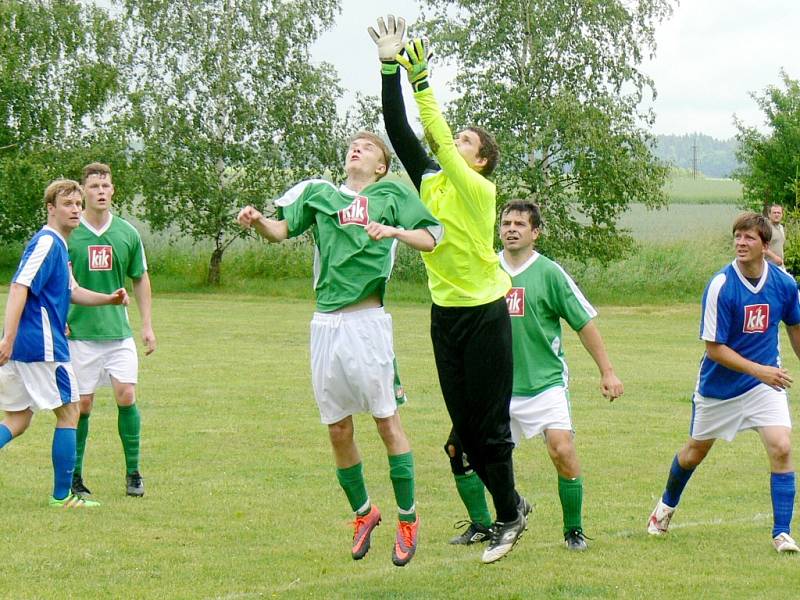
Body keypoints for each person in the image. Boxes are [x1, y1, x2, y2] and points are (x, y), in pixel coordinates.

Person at [236, 131, 440, 567]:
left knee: (387, 422)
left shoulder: (391, 194)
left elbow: (431, 238)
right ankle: (365, 513)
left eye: (368, 147)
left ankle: (408, 519)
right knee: (337, 428)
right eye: (353, 145)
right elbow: (280, 230)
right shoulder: (318, 193)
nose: (356, 149)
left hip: (368, 324)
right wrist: (257, 222)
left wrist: (394, 231)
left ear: (381, 165)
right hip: (325, 324)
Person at [369, 17, 529, 564]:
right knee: (462, 431)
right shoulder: (433, 180)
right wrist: (391, 68)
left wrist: (422, 78)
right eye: (458, 140)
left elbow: (434, 130)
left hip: (486, 313)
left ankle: (508, 517)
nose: (454, 143)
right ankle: (512, 503)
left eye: (467, 142)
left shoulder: (478, 188)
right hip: (445, 316)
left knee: (489, 428)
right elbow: (400, 131)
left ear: (480, 160)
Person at [446, 201, 624, 551]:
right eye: (506, 223)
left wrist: (608, 371)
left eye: (520, 224)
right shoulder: (484, 269)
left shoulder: (550, 273)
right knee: (460, 451)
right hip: (494, 388)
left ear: (535, 232)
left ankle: (573, 530)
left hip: (545, 384)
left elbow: (584, 323)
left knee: (562, 449)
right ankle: (484, 523)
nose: (511, 229)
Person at [648, 212, 800, 554]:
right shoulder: (721, 285)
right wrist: (760, 371)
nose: (741, 243)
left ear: (765, 245)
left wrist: (767, 372)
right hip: (719, 388)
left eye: (749, 238)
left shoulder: (784, 284)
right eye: (737, 237)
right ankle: (664, 510)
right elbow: (714, 349)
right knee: (693, 453)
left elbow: (794, 327)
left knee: (782, 446)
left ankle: (782, 533)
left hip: (764, 385)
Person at [0, 179, 129, 507]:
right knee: (70, 411)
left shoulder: (59, 244)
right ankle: (63, 496)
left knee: (18, 419)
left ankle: (63, 495)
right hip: (41, 344)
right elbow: (19, 287)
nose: (75, 210)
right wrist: (8, 338)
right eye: (67, 204)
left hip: (28, 345)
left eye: (77, 205)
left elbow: (72, 291)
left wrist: (109, 300)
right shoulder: (47, 243)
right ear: (51, 208)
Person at [67, 162, 156, 498]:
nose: (100, 192)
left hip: (118, 334)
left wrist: (146, 325)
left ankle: (133, 473)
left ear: (113, 190)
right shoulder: (70, 233)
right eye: (93, 187)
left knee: (127, 395)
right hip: (79, 334)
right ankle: (75, 477)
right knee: (83, 405)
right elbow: (56, 282)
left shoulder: (127, 233)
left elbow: (140, 278)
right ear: (83, 192)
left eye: (105, 186)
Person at [765, 203, 786, 270]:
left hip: (780, 266)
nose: (777, 215)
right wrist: (775, 257)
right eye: (774, 213)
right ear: (769, 215)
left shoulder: (781, 228)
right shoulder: (766, 228)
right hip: (768, 266)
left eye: (779, 213)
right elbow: (761, 246)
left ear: (782, 215)